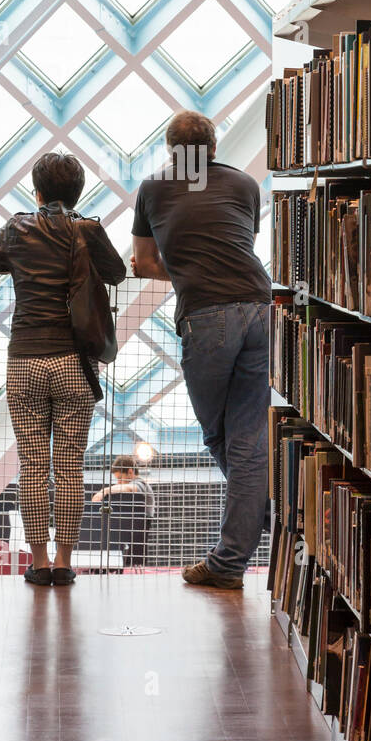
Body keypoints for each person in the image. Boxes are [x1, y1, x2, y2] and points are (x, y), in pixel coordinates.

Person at [0, 152, 126, 587]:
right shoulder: (86, 229)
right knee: (70, 466)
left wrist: (13, 259)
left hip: (26, 362)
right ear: (77, 193)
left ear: (36, 191)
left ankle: (39, 563)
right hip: (73, 362)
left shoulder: (17, 229)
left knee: (33, 465)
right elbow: (118, 273)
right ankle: (65, 562)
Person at [131, 111, 270, 590]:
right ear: (213, 146)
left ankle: (235, 548)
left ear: (172, 149)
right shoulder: (245, 183)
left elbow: (144, 263)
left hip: (207, 315)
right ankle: (239, 544)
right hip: (260, 306)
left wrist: (186, 268)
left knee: (218, 437)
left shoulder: (153, 188)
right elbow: (239, 246)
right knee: (248, 442)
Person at [91, 455, 156, 519]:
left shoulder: (141, 484)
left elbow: (130, 488)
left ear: (130, 472)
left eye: (120, 478)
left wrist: (105, 491)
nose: (118, 483)